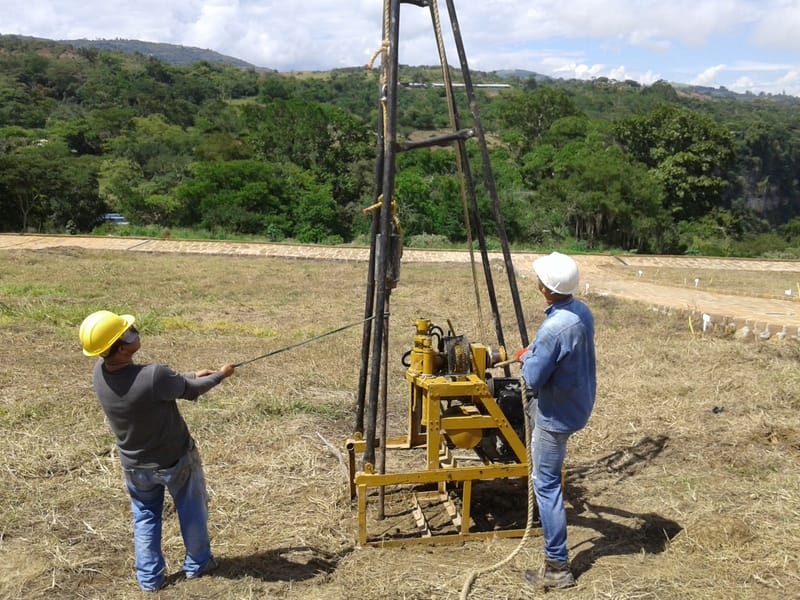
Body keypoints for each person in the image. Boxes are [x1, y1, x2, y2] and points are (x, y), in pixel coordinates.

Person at [78, 310, 235, 592]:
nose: (135, 331)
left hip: (135, 467)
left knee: (145, 517)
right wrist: (221, 375)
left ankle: (150, 579)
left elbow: (170, 384)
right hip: (175, 461)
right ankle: (199, 564)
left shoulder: (99, 373)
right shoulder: (154, 375)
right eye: (128, 332)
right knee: (191, 510)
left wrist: (190, 374)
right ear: (123, 348)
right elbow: (190, 390)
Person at [514, 252, 596, 590]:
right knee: (550, 479)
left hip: (554, 416)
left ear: (545, 288)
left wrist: (528, 359)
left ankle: (558, 568)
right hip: (576, 405)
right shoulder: (580, 312)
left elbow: (531, 378)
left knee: (546, 484)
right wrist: (534, 350)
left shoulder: (553, 328)